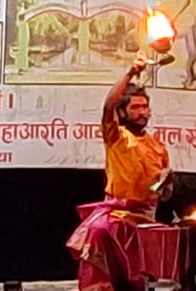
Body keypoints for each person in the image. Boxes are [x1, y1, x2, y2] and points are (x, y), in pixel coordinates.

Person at [66, 52, 172, 291]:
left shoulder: (158, 147)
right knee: (99, 231)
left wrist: (166, 184)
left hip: (144, 218)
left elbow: (162, 195)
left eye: (145, 107)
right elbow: (108, 105)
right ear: (123, 112)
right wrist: (131, 72)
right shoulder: (116, 137)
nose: (142, 112)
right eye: (135, 107)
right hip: (116, 215)